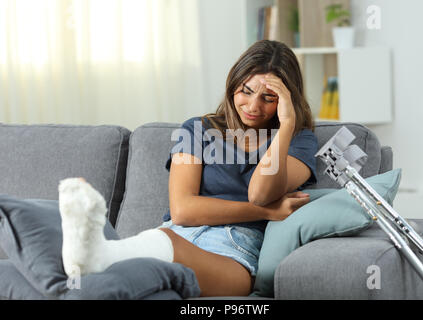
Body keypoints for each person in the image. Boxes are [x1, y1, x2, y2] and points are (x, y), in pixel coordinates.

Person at [59, 40, 318, 297]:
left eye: (269, 98)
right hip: (175, 233)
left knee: (153, 264)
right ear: (232, 85)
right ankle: (92, 258)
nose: (253, 106)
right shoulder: (197, 129)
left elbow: (259, 193)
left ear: (286, 100)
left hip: (234, 251)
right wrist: (268, 211)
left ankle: (98, 254)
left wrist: (285, 125)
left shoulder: (298, 140)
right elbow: (183, 210)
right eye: (246, 91)